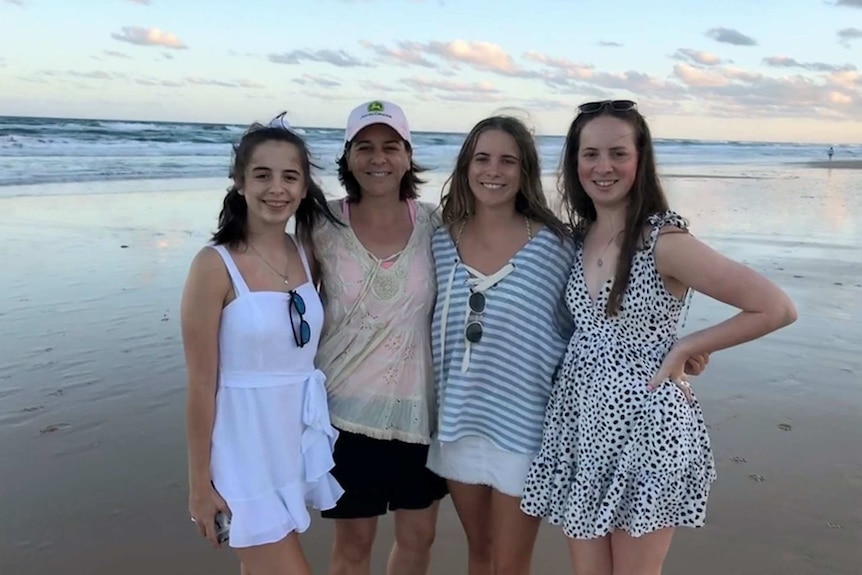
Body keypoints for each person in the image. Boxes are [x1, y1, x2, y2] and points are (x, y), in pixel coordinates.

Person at [519, 99, 798, 575]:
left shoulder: (662, 241)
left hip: (647, 431)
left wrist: (690, 346)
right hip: (581, 426)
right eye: (590, 154)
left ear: (640, 160)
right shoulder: (579, 236)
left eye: (617, 153)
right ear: (574, 162)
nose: (602, 167)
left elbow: (775, 307)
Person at [181, 115, 344, 575]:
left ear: (304, 186)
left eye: (290, 176)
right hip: (240, 446)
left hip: (290, 440)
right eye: (262, 175)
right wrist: (199, 483)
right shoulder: (214, 266)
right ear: (239, 184)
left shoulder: (306, 254)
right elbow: (200, 385)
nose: (277, 188)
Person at [428, 115, 574, 575]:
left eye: (508, 160)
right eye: (483, 158)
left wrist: (679, 350)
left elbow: (593, 322)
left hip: (524, 429)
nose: (494, 170)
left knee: (511, 564)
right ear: (466, 166)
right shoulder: (438, 242)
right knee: (480, 553)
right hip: (458, 422)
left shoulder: (556, 247)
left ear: (525, 171)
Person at [311, 100, 448, 575]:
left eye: (391, 146)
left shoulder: (436, 224)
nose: (378, 158)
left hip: (420, 413)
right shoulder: (319, 224)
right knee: (353, 546)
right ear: (347, 156)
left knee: (418, 538)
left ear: (408, 155)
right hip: (343, 414)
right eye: (365, 147)